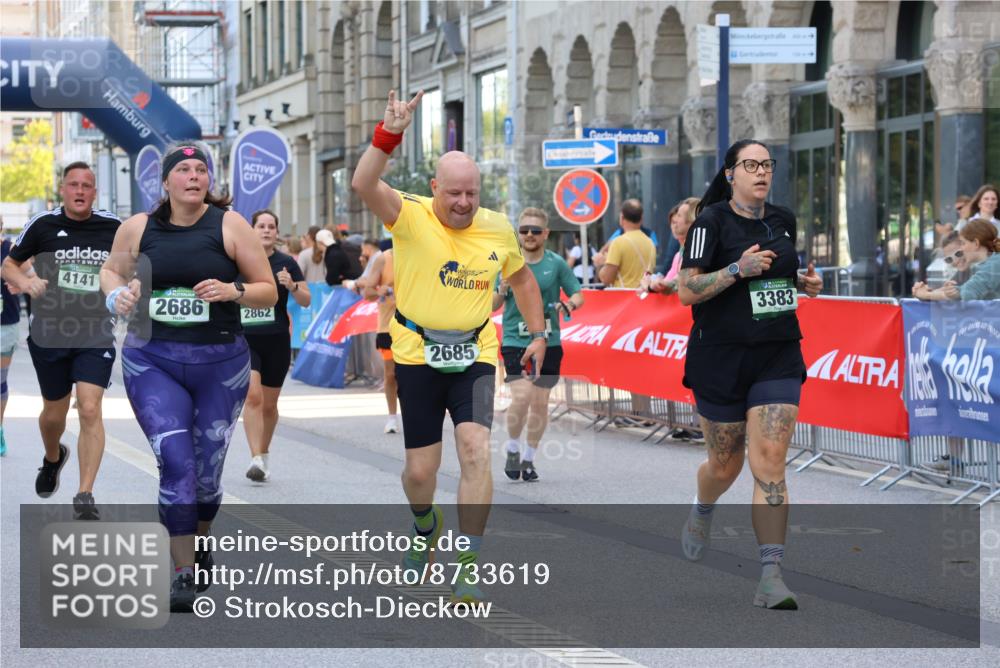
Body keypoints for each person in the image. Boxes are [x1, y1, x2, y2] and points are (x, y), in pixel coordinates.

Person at [351, 89, 546, 605]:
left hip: (476, 357)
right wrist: (389, 133)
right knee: (420, 472)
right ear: (435, 187)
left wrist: (539, 332)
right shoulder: (410, 215)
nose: (462, 203)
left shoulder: (498, 227)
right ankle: (424, 528)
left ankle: (467, 563)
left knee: (476, 451)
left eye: (471, 194)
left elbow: (523, 281)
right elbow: (363, 182)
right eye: (453, 193)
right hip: (416, 355)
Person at [100, 144, 277, 612]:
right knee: (176, 462)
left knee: (207, 478)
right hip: (151, 360)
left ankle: (199, 541)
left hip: (221, 363)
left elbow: (269, 292)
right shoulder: (138, 228)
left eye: (201, 170)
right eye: (184, 169)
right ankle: (181, 572)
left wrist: (232, 290)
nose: (194, 176)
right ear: (166, 182)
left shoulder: (230, 225)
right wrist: (117, 295)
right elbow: (108, 272)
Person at [676, 139, 823, 610]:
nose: (761, 172)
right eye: (751, 165)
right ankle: (703, 508)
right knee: (725, 465)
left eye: (767, 164)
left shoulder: (782, 219)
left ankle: (771, 575)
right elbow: (686, 291)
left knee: (770, 462)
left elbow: (779, 275)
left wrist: (803, 283)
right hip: (720, 358)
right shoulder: (710, 222)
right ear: (731, 173)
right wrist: (737, 269)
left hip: (777, 353)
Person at [1, 162, 121, 517]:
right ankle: (53, 458)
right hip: (50, 333)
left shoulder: (113, 226)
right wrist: (26, 283)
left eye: (87, 185)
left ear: (94, 192)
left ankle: (85, 494)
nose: (80, 191)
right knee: (53, 415)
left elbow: (132, 264)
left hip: (95, 331)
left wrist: (131, 286)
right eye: (73, 185)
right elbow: (9, 264)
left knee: (89, 407)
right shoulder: (43, 224)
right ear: (63, 190)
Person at [494, 207, 583, 482]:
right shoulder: (507, 263)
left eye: (535, 230)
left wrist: (567, 304)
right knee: (521, 398)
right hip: (514, 339)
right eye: (524, 230)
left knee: (540, 404)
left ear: (545, 234)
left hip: (549, 342)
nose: (529, 235)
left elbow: (578, 294)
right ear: (517, 234)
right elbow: (492, 306)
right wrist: (502, 290)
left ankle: (529, 458)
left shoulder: (556, 264)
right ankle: (512, 447)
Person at [242, 210, 310, 482]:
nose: (267, 230)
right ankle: (255, 457)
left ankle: (264, 453)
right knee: (253, 396)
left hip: (277, 339)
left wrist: (292, 285)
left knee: (269, 406)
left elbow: (306, 300)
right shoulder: (240, 259)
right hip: (245, 338)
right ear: (252, 229)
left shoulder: (286, 263)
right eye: (261, 226)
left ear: (277, 232)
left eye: (271, 226)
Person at [357, 242, 400, 434]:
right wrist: (380, 290)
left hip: (418, 326)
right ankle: (392, 417)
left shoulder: (422, 253)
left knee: (416, 375)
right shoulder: (383, 258)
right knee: (391, 374)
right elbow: (368, 292)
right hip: (388, 325)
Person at [913, 220, 1000, 301]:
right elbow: (957, 291)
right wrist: (927, 293)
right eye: (948, 259)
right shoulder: (984, 265)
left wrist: (926, 295)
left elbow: (967, 292)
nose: (961, 248)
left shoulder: (995, 263)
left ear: (976, 243)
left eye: (963, 243)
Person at [595, 199, 656, 288]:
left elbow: (606, 279)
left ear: (622, 218)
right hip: (644, 297)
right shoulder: (650, 243)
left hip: (624, 298)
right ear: (641, 219)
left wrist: (600, 264)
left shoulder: (618, 242)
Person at [647, 197, 701, 295]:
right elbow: (671, 280)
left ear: (692, 221)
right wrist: (654, 283)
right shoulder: (681, 253)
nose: (675, 221)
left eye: (679, 216)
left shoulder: (697, 251)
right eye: (672, 222)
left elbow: (677, 282)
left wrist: (654, 284)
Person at [1, 215, 21, 456]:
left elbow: (30, 272)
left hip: (5, 323)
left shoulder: (11, 250)